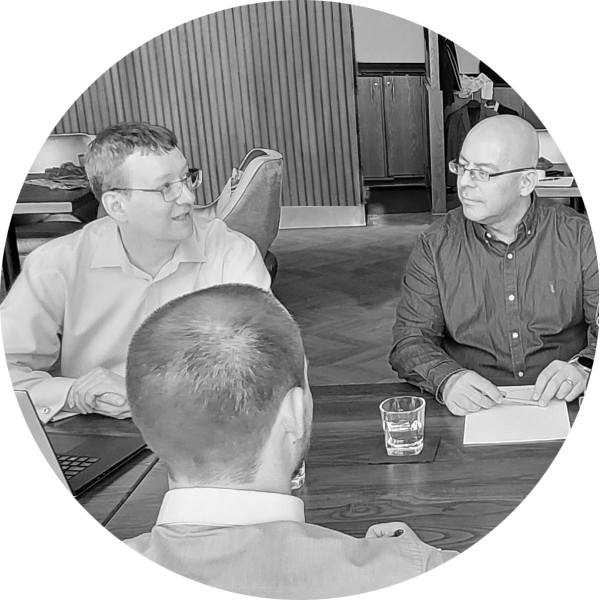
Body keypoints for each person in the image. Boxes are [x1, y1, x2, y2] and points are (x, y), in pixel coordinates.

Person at [7, 284, 531, 600]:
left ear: (144, 423)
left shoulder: (44, 589)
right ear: (296, 412)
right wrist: (428, 561)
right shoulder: (415, 581)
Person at [0, 123, 270, 423]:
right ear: (117, 205)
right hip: (94, 430)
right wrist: (74, 394)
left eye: (186, 179)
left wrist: (145, 394)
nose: (188, 198)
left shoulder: (231, 253)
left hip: (202, 427)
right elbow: (4, 368)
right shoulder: (57, 264)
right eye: (165, 187)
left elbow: (264, 363)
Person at [389, 115, 598, 416]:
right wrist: (448, 380)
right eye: (462, 167)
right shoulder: (435, 245)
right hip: (472, 410)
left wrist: (584, 368)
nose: (464, 183)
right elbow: (409, 341)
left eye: (483, 174)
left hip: (567, 405)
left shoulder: (580, 237)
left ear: (526, 181)